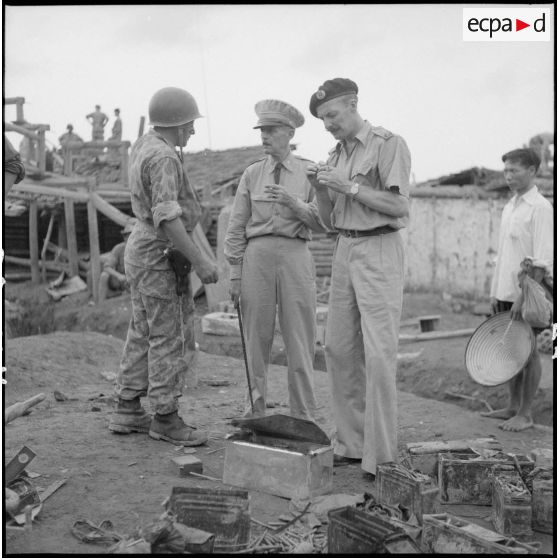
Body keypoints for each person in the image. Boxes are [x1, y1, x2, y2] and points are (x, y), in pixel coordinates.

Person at [306, 78, 411, 480]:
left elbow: (399, 206)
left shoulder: (388, 144)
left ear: (352, 105)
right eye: (322, 119)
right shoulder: (336, 153)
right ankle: (351, 444)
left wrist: (348, 185)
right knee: (338, 348)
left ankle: (380, 455)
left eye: (332, 114)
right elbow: (331, 220)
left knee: (379, 353)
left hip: (379, 248)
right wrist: (321, 188)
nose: (328, 124)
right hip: (345, 248)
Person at [109, 86, 218, 446]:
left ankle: (128, 406)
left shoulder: (144, 144)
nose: (192, 131)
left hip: (138, 246)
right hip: (158, 250)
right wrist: (200, 260)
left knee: (142, 327)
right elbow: (168, 218)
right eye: (189, 124)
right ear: (178, 122)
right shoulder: (165, 158)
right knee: (168, 332)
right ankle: (166, 417)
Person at [224, 99, 324, 420]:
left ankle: (303, 416)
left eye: (271, 131)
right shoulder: (252, 174)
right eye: (262, 131)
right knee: (256, 337)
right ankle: (254, 411)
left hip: (296, 255)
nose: (264, 137)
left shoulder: (310, 172)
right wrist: (235, 273)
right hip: (258, 257)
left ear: (289, 133)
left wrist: (295, 204)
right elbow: (237, 226)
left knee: (300, 338)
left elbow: (324, 222)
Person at [482, 148, 553, 432]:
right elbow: (504, 254)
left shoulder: (540, 208)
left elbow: (542, 260)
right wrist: (494, 293)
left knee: (529, 351)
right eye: (506, 171)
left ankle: (525, 413)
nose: (509, 176)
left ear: (533, 171)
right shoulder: (510, 206)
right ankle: (512, 406)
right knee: (510, 349)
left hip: (529, 294)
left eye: (515, 171)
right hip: (504, 292)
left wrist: (521, 298)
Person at [97, 219, 135, 302]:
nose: (129, 238)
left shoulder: (141, 249)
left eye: (131, 235)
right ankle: (100, 304)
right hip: (121, 280)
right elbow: (107, 267)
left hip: (134, 280)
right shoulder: (118, 248)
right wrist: (119, 276)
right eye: (126, 235)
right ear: (124, 237)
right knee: (104, 276)